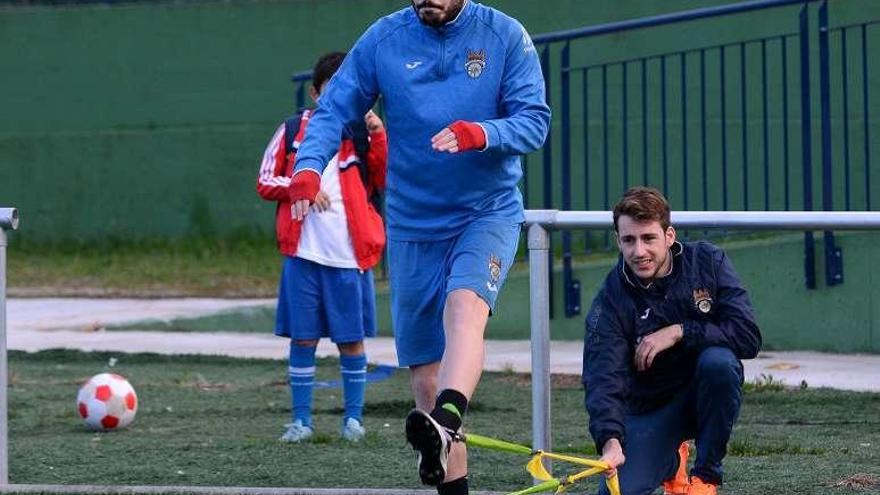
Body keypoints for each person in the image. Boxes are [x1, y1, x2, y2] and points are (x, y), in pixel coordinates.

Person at [287, 1, 550, 493]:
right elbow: (333, 110)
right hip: (412, 223)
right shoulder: (384, 40)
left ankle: (449, 418)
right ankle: (445, 442)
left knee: (463, 309)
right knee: (426, 382)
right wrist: (306, 168)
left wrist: (482, 133)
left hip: (485, 212)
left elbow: (534, 121)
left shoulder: (505, 35)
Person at [582, 186, 762, 495]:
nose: (639, 251)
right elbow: (602, 378)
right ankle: (670, 459)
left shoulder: (708, 262)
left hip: (703, 394)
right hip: (651, 409)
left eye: (648, 238)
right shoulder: (611, 298)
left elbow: (747, 337)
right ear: (618, 241)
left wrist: (680, 330)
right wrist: (610, 442)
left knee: (719, 363)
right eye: (629, 240)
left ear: (669, 236)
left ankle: (705, 477)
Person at [256, 52, 388, 444]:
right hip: (303, 256)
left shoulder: (363, 138)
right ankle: (300, 421)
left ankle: (353, 421)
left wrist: (378, 135)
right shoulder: (293, 130)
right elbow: (265, 180)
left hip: (349, 257)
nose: (343, 99)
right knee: (303, 339)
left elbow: (384, 179)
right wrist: (302, 188)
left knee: (351, 340)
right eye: (333, 91)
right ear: (315, 94)